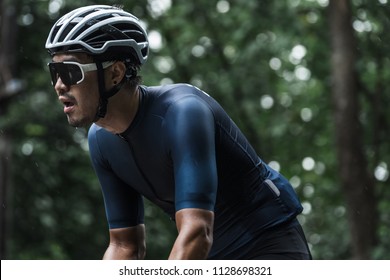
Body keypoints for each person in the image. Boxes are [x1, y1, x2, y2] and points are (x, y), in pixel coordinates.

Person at [45, 5, 312, 260]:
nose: (59, 85)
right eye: (54, 72)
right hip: (208, 254)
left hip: (267, 242)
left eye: (70, 72)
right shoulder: (100, 140)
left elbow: (197, 230)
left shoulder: (183, 112)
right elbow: (125, 245)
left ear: (115, 73)